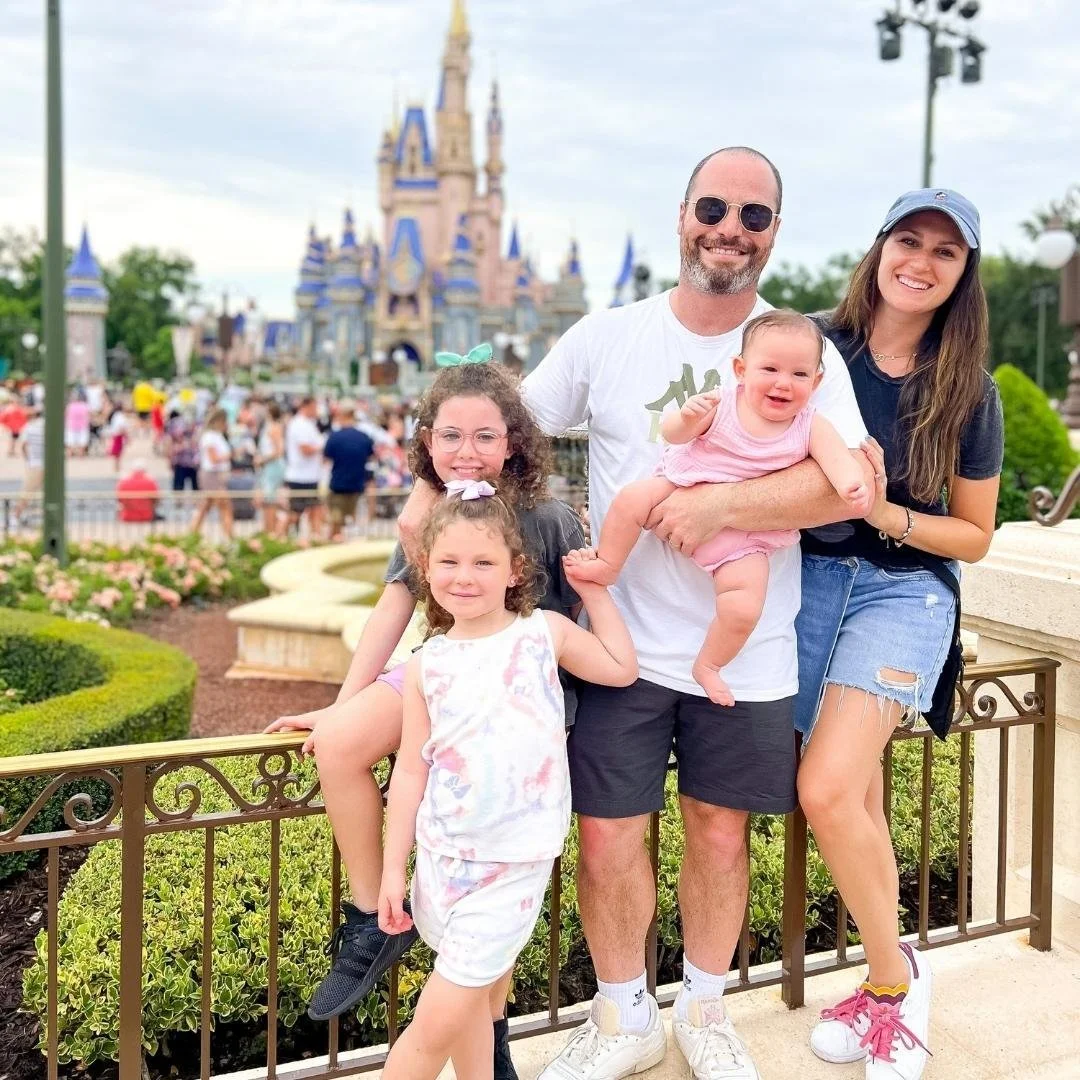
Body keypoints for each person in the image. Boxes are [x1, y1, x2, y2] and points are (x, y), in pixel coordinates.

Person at [399, 147, 873, 1079]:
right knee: (609, 833)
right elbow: (490, 438)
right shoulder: (606, 337)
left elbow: (849, 485)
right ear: (682, 214)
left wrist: (718, 509)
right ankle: (624, 1017)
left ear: (775, 234)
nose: (730, 228)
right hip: (621, 646)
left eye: (754, 214)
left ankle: (702, 1009)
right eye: (714, 207)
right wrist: (414, 556)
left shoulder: (803, 353)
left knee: (717, 830)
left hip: (747, 649)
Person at [265, 355, 585, 1078]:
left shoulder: (549, 518)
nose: (465, 452)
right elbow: (396, 604)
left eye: (483, 436)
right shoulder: (432, 518)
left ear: (514, 442)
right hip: (439, 671)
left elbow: (576, 622)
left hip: (511, 689)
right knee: (341, 742)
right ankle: (369, 918)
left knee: (485, 922)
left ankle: (491, 1050)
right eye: (449, 437)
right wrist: (341, 704)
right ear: (426, 443)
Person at [793, 189, 1002, 1080]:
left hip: (905, 592)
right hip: (801, 583)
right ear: (879, 248)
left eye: (944, 253)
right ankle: (890, 991)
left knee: (830, 790)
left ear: (963, 277)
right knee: (862, 803)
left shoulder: (970, 391)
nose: (921, 261)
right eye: (908, 240)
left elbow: (976, 535)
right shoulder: (813, 346)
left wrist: (884, 513)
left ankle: (891, 984)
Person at [376, 486, 638, 1080]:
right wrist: (394, 869)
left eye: (482, 562)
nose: (464, 577)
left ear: (515, 569)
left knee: (426, 1036)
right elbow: (411, 771)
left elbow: (622, 669)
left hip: (511, 866)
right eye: (448, 562)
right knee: (474, 1006)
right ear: (425, 568)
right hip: (441, 865)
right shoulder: (426, 664)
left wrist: (594, 591)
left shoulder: (542, 633)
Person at [566, 310, 868, 705]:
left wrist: (852, 484)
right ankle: (608, 564)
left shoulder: (810, 425)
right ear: (741, 369)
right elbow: (672, 434)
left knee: (744, 607)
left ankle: (709, 665)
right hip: (683, 484)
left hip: (744, 538)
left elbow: (838, 461)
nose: (783, 383)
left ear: (817, 381)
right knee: (631, 499)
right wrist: (686, 419)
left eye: (799, 375)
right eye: (770, 369)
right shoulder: (723, 403)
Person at [323, 402, 376, 541]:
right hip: (357, 486)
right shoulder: (364, 437)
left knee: (335, 525)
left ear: (342, 415)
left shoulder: (334, 437)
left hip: (338, 486)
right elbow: (371, 457)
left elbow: (326, 459)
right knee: (352, 523)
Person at [283, 397, 325, 536]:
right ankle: (278, 535)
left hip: (309, 476)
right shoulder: (299, 424)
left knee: (315, 510)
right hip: (301, 477)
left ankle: (315, 538)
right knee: (295, 513)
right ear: (306, 406)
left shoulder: (308, 423)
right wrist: (322, 446)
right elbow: (305, 449)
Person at [192, 407, 233, 540]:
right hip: (212, 475)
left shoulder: (216, 436)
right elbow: (213, 459)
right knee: (225, 506)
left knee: (205, 507)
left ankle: (192, 534)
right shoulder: (209, 437)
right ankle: (231, 537)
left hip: (217, 475)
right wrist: (230, 455)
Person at [253, 401, 286, 536]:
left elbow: (278, 451)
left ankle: (272, 530)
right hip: (269, 467)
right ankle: (270, 529)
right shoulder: (269, 427)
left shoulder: (274, 428)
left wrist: (262, 460)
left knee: (270, 500)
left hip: (272, 467)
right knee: (266, 500)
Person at [12, 403, 45, 524]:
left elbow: (24, 446)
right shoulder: (50, 426)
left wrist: (28, 459)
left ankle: (16, 516)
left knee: (27, 491)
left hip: (35, 464)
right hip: (49, 464)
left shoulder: (29, 427)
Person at [116, 458, 160, 524]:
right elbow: (156, 499)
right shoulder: (150, 482)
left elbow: (119, 499)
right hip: (147, 516)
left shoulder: (124, 482)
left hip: (128, 516)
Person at [64, 392, 91, 457]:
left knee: (70, 442)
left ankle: (69, 454)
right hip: (82, 426)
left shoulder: (70, 405)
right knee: (82, 442)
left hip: (71, 425)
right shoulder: (85, 405)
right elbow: (89, 415)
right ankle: (80, 454)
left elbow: (65, 415)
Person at [106, 404, 128, 473]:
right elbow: (121, 427)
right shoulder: (120, 416)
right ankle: (117, 467)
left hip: (115, 435)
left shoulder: (115, 415)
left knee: (117, 453)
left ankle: (117, 467)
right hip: (119, 435)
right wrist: (126, 436)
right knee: (118, 453)